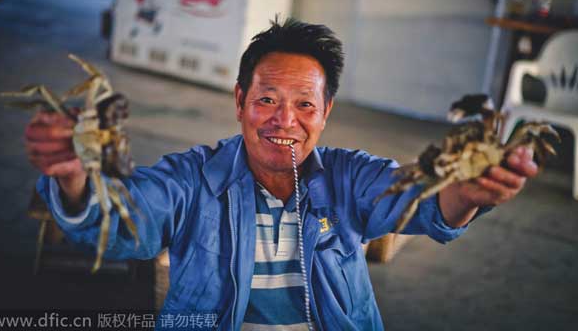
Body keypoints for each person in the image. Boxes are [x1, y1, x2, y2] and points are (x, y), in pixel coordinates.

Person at [27, 18, 538, 330]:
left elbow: (426, 205)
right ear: (240, 101)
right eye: (267, 99)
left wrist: (467, 194)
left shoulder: (350, 179)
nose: (284, 121)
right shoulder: (190, 181)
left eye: (304, 105)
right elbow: (119, 225)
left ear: (326, 111)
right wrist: (73, 177)